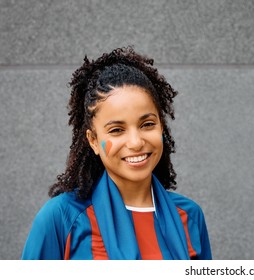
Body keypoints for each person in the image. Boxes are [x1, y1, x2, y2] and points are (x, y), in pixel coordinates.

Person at [21, 47, 212, 260]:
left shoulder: (190, 216)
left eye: (147, 124)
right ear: (93, 141)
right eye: (117, 130)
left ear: (162, 128)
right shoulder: (61, 217)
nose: (136, 142)